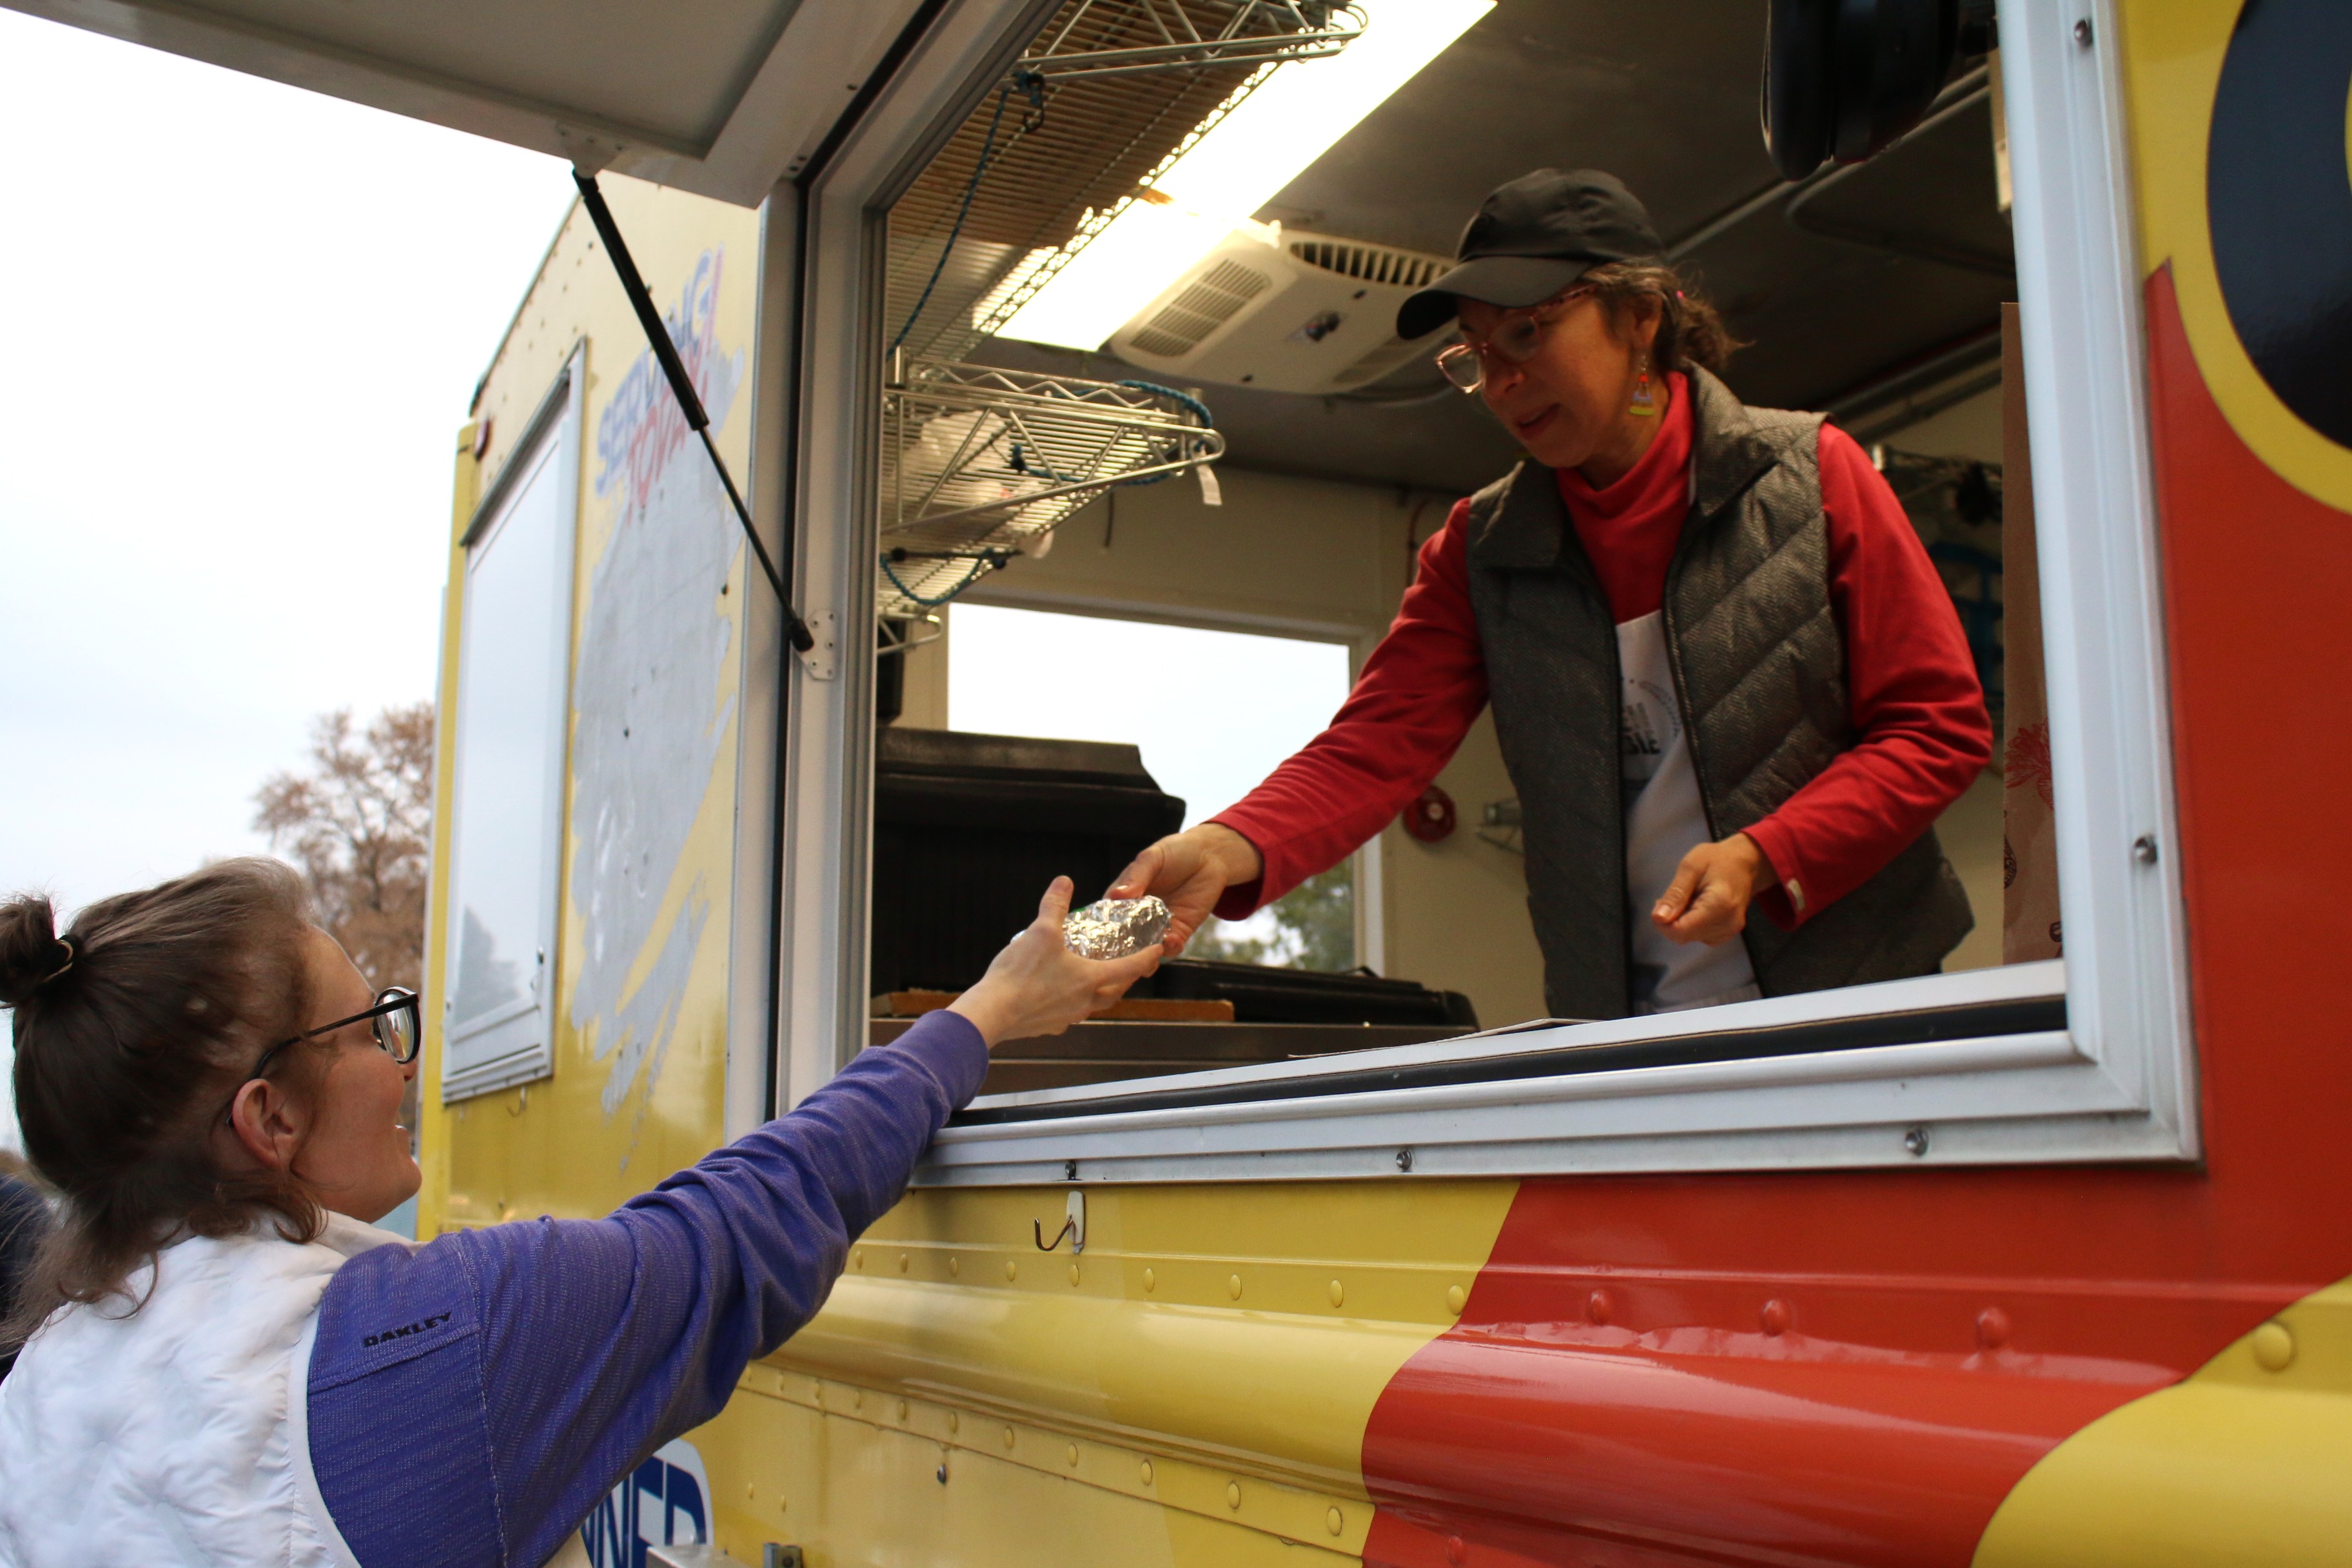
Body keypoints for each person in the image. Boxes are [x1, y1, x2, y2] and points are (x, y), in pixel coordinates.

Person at [0, 856, 1157, 1567]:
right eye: (369, 1031)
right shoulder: (430, 1350)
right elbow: (742, 1226)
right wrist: (986, 1014)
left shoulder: (47, 1379)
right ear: (270, 1120)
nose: (405, 1063)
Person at [1113, 169, 1990, 1020]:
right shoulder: (1483, 549)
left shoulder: (1807, 476)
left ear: (1641, 317)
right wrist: (1229, 844)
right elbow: (1374, 747)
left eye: (1527, 334)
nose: (1500, 383)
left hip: (1855, 1000)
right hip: (1619, 1026)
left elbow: (1936, 728)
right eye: (1476, 354)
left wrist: (1768, 853)